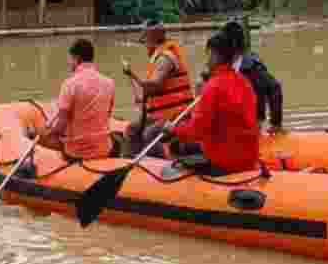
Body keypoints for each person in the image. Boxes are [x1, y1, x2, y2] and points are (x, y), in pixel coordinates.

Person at [156, 31, 260, 175]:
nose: (207, 60)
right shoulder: (245, 82)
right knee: (192, 146)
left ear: (215, 55)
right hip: (248, 157)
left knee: (176, 146)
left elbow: (197, 130)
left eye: (208, 55)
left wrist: (173, 129)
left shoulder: (213, 86)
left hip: (225, 162)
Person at [34, 39, 118, 161]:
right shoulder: (109, 83)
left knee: (38, 136)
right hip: (104, 148)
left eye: (70, 59)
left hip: (77, 152)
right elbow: (107, 114)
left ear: (77, 58)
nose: (69, 63)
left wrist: (44, 134)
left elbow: (61, 126)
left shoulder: (70, 84)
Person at [121, 20, 195, 156]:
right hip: (163, 115)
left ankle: (159, 166)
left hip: (177, 116)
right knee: (132, 129)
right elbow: (143, 95)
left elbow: (155, 84)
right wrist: (130, 76)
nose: (145, 46)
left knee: (150, 133)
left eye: (145, 41)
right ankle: (132, 165)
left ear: (150, 39)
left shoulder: (166, 57)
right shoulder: (157, 57)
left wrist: (131, 73)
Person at [199, 21, 284, 134]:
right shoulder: (221, 64)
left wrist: (275, 124)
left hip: (248, 125)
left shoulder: (252, 66)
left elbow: (275, 88)